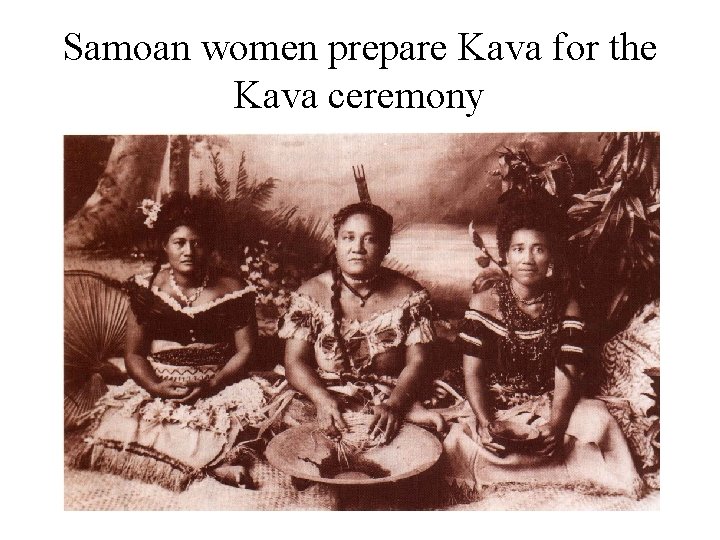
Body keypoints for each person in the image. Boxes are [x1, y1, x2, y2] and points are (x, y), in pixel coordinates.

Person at [443, 189, 643, 498]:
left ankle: (551, 465)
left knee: (599, 422)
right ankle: (520, 468)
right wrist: (485, 422)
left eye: (538, 249)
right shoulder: (484, 301)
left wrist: (558, 423)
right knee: (460, 439)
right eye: (518, 249)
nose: (527, 258)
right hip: (498, 403)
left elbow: (569, 370)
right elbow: (474, 373)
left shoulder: (566, 304)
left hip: (550, 401)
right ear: (506, 256)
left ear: (551, 257)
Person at [69, 193, 272, 491]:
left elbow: (246, 350)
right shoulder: (147, 288)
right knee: (126, 427)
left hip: (217, 383)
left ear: (209, 247)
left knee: (228, 427)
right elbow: (134, 354)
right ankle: (202, 463)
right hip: (162, 385)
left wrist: (213, 384)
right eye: (179, 242)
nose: (188, 250)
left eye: (197, 243)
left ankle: (217, 462)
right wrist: (154, 386)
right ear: (165, 246)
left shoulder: (233, 289)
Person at [278, 202, 443, 443]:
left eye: (370, 239)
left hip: (392, 397)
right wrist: (321, 398)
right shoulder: (311, 294)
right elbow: (294, 361)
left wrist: (395, 405)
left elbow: (419, 361)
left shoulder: (410, 296)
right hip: (325, 396)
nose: (357, 248)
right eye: (348, 238)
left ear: (386, 247)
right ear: (335, 242)